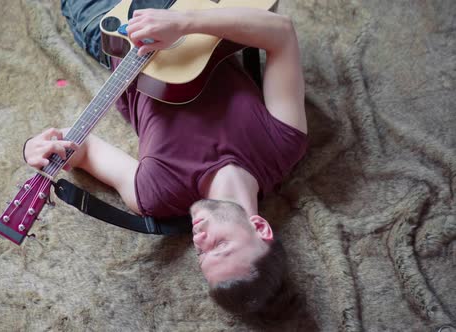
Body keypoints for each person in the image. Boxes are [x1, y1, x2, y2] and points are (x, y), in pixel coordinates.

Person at [24, 1, 307, 316]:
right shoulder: (283, 145)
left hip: (120, 30)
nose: (200, 240)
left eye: (201, 254)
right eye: (220, 245)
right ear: (260, 228)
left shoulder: (156, 196)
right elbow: (281, 34)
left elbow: (84, 149)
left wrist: (36, 148)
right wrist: (185, 21)